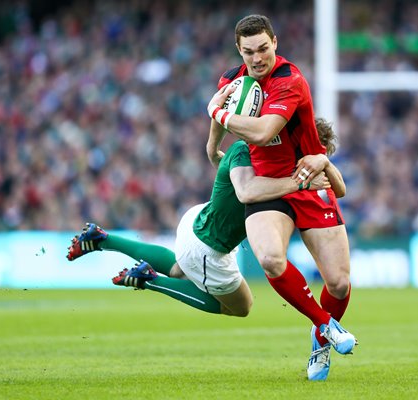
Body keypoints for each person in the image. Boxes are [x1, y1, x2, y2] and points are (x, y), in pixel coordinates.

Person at [206, 14, 356, 381]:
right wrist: (212, 145)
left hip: (307, 179)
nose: (256, 58)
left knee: (338, 284)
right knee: (271, 258)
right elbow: (224, 115)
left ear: (275, 42)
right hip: (268, 185)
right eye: (248, 52)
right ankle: (325, 328)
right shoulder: (232, 79)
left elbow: (263, 132)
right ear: (238, 50)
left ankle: (318, 337)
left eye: (262, 49)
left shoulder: (289, 81)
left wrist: (215, 110)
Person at [66, 119, 341, 318]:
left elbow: (339, 189)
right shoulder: (268, 164)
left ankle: (102, 238)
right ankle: (149, 279)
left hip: (198, 222)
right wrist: (300, 184)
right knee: (240, 307)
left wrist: (212, 147)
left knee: (178, 269)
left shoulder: (257, 152)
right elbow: (248, 192)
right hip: (209, 246)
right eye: (316, 152)